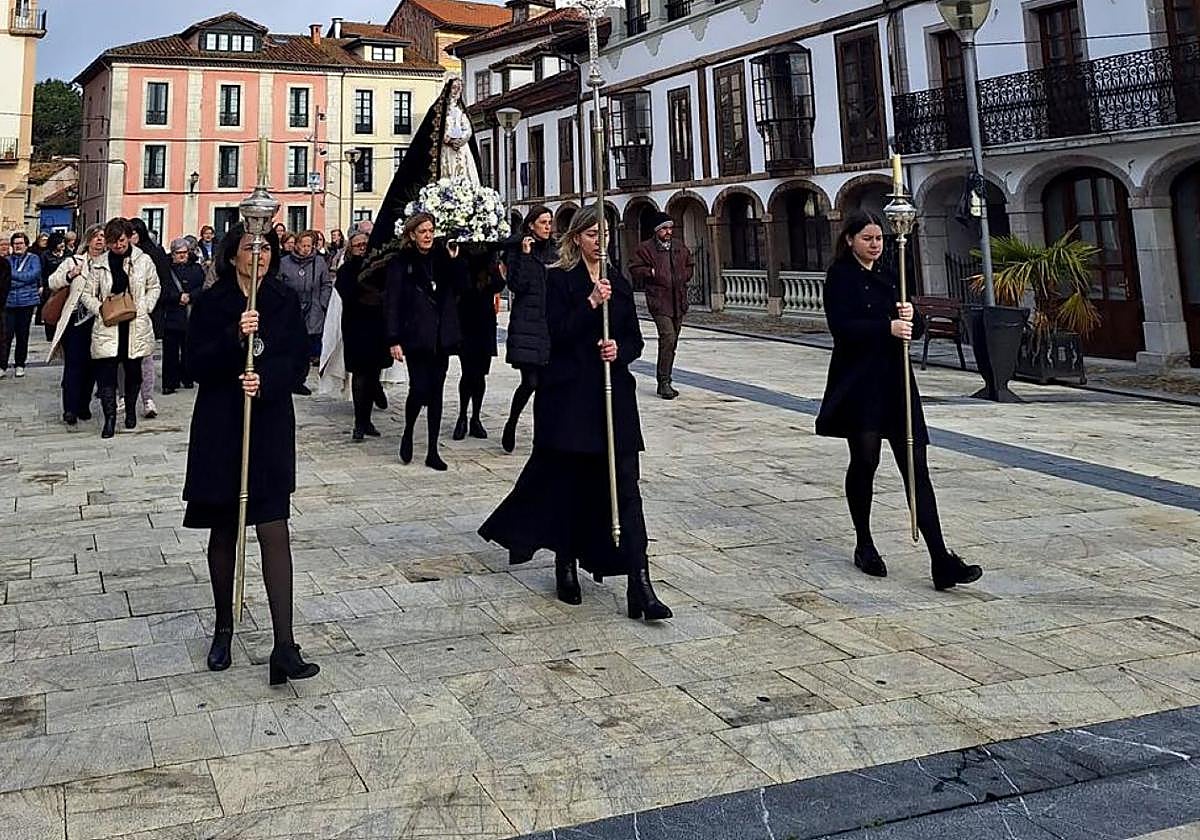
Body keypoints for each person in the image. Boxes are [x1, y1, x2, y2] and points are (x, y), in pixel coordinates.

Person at [479, 206, 672, 621]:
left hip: (613, 399)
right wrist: (588, 302)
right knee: (571, 485)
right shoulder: (559, 279)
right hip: (570, 397)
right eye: (590, 233)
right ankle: (565, 561)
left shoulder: (616, 282)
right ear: (576, 239)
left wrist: (620, 350)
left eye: (603, 233)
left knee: (627, 491)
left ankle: (641, 583)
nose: (598, 240)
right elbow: (556, 333)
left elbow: (635, 340)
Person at [816, 211, 983, 591]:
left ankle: (941, 559)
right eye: (868, 238)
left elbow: (913, 328)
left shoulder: (893, 274)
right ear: (850, 240)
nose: (875, 244)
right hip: (859, 383)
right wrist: (885, 327)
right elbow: (841, 328)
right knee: (866, 462)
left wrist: (913, 317)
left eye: (878, 238)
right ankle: (865, 542)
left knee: (916, 468)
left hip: (896, 382)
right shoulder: (839, 277)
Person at [183, 223, 318, 686]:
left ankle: (285, 644)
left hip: (268, 424)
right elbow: (193, 362)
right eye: (248, 247)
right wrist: (232, 339)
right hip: (222, 425)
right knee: (224, 528)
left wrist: (268, 381)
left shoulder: (281, 301)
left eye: (265, 247)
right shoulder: (211, 301)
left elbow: (298, 358)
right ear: (232, 254)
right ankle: (224, 626)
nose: (257, 254)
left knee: (274, 528)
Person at [384, 213, 466, 471]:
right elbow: (392, 302)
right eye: (422, 231)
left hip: (441, 337)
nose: (428, 235)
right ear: (412, 235)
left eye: (431, 230)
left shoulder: (443, 258)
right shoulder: (401, 263)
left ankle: (432, 449)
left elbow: (462, 287)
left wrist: (454, 261)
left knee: (437, 391)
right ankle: (408, 430)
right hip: (416, 335)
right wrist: (393, 339)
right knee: (419, 389)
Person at [369, 76, 482, 254]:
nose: (456, 92)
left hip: (461, 152)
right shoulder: (439, 112)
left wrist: (462, 139)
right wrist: (450, 139)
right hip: (446, 152)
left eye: (459, 88)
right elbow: (437, 132)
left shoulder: (461, 112)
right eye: (454, 88)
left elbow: (467, 128)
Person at [78, 218, 160, 438]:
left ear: (129, 237)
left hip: (135, 324)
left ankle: (131, 409)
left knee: (134, 372)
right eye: (113, 242)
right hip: (108, 325)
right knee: (106, 374)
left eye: (121, 240)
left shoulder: (143, 260)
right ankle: (110, 419)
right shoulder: (100, 263)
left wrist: (145, 306)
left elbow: (154, 286)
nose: (118, 246)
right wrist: (100, 309)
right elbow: (87, 293)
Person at [500, 206, 556, 453]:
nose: (548, 226)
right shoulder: (517, 250)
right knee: (530, 382)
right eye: (543, 222)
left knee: (546, 386)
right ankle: (512, 422)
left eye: (550, 222)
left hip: (550, 324)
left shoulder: (554, 251)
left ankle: (542, 435)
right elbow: (516, 286)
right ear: (531, 225)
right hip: (526, 324)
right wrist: (524, 254)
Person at [628, 212, 694, 400]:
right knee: (668, 337)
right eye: (664, 228)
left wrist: (683, 275)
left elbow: (690, 264)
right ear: (657, 230)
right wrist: (651, 272)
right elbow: (633, 268)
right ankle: (663, 381)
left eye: (670, 228)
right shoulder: (646, 248)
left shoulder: (679, 246)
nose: (668, 231)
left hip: (678, 300)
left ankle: (667, 378)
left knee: (672, 343)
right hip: (659, 301)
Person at [335, 231, 394, 440]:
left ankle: (367, 419)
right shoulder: (346, 270)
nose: (361, 246)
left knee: (373, 374)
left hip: (378, 326)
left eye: (364, 244)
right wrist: (370, 295)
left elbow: (388, 291)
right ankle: (359, 423)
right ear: (350, 248)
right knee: (360, 374)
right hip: (356, 326)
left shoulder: (380, 267)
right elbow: (348, 293)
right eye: (357, 244)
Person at [46, 225, 104, 424]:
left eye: (103, 237)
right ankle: (70, 408)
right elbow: (52, 282)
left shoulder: (109, 263)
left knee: (92, 366)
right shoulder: (73, 261)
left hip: (99, 321)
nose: (99, 241)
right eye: (95, 237)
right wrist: (69, 275)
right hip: (75, 321)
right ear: (88, 240)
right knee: (74, 366)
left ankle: (83, 404)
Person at [452, 249, 505, 442]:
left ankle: (475, 417)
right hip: (466, 320)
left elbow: (499, 284)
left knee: (480, 373)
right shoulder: (462, 258)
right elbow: (460, 285)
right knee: (468, 372)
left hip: (484, 321)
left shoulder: (490, 261)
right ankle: (462, 416)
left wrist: (492, 268)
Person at [278, 230, 331, 381]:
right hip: (292, 308)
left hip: (313, 307)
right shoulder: (284, 262)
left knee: (308, 343)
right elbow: (279, 284)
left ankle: (302, 376)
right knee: (293, 343)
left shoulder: (319, 262)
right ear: (297, 245)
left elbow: (326, 284)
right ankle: (293, 376)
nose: (306, 248)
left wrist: (323, 303)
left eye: (309, 245)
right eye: (303, 245)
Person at [130, 218, 170, 418]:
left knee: (146, 357)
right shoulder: (122, 255)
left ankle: (147, 398)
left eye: (134, 234)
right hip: (125, 312)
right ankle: (123, 395)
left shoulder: (153, 254)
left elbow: (161, 283)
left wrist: (147, 305)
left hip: (148, 312)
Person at [161, 238, 205, 393]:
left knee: (189, 349)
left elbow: (203, 287)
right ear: (172, 254)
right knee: (170, 352)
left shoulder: (196, 268)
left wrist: (191, 296)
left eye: (184, 253)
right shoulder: (166, 269)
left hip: (190, 315)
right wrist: (177, 297)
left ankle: (187, 377)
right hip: (172, 314)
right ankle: (169, 383)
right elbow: (161, 289)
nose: (181, 256)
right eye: (178, 253)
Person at [2, 233, 42, 379]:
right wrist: (20, 279)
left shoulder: (34, 259)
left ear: (26, 244)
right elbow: (4, 281)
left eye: (21, 243)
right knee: (6, 336)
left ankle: (20, 364)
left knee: (22, 336)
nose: (18, 246)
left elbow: (32, 276)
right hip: (9, 303)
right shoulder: (7, 260)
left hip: (27, 302)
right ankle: (2, 365)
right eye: (15, 243)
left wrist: (12, 275)